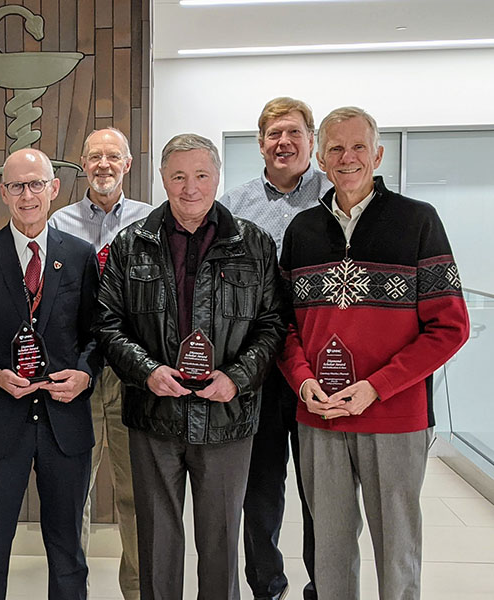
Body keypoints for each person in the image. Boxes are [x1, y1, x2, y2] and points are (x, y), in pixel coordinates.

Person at [278, 107, 470, 600]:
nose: (348, 158)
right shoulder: (301, 232)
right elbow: (282, 327)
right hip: (319, 416)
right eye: (336, 148)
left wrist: (376, 387)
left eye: (358, 146)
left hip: (395, 417)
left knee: (397, 545)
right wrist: (302, 381)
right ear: (320, 158)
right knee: (330, 549)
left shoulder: (418, 221)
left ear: (378, 153)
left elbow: (450, 326)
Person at [94, 133, 285, 600]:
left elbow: (273, 324)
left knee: (221, 544)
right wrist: (146, 371)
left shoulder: (252, 243)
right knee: (155, 543)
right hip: (153, 414)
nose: (190, 187)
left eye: (201, 175)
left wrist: (237, 379)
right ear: (162, 179)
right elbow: (107, 322)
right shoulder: (132, 242)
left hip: (227, 418)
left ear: (217, 177)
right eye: (178, 176)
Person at [0, 148, 100, 600]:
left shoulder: (81, 256)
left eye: (35, 184)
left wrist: (85, 374)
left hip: (65, 425)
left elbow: (96, 335)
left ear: (53, 189)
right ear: (4, 193)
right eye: (16, 186)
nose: (26, 195)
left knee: (68, 551)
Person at [219, 97, 330, 600]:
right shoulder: (235, 205)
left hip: (324, 369)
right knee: (260, 486)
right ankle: (266, 583)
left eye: (293, 133)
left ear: (310, 138)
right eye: (272, 135)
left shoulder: (337, 197)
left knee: (320, 490)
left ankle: (324, 581)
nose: (283, 143)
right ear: (260, 143)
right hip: (258, 367)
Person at [48, 127, 152, 600]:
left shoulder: (152, 221)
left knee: (135, 495)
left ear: (127, 165)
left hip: (133, 374)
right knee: (73, 495)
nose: (104, 165)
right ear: (82, 165)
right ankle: (72, 591)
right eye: (94, 157)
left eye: (113, 157)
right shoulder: (58, 223)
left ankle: (137, 590)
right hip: (77, 373)